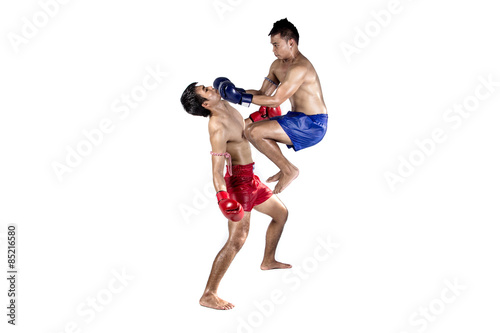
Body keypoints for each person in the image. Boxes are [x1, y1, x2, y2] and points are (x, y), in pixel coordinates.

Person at [180, 82, 291, 310]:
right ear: (206, 104)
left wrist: (258, 117)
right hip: (238, 185)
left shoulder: (229, 107)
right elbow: (216, 172)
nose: (212, 87)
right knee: (237, 240)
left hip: (251, 178)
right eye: (206, 90)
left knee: (281, 214)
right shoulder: (217, 127)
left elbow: (241, 133)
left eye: (207, 85)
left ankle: (268, 260)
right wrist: (223, 198)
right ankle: (209, 294)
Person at [214, 18, 328, 194]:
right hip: (296, 118)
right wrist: (235, 92)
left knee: (255, 132)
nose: (273, 50)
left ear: (291, 42)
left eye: (276, 45)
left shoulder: (300, 67)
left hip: (313, 124)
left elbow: (276, 101)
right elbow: (263, 93)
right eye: (272, 45)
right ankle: (284, 168)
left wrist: (241, 99)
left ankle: (288, 169)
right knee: (247, 128)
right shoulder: (277, 65)